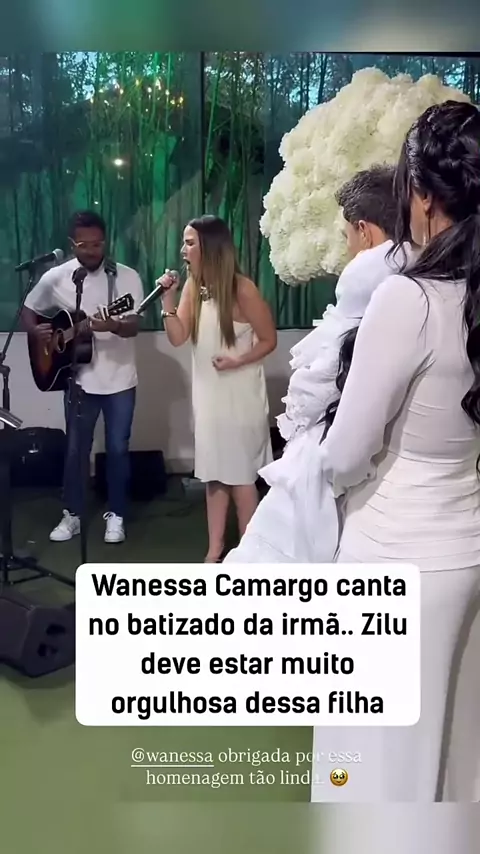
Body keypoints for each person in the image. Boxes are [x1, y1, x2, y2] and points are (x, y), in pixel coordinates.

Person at [309, 100, 480, 804]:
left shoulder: (408, 298)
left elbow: (346, 452)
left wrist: (326, 471)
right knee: (453, 746)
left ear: (425, 196)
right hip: (466, 548)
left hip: (394, 554)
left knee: (371, 766)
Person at [224, 164, 414, 563]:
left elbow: (317, 391)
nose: (347, 248)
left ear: (364, 231)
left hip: (337, 450)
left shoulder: (365, 284)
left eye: (347, 236)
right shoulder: (425, 279)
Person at [157, 215, 277, 562]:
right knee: (214, 475)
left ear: (210, 247)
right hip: (209, 398)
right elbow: (178, 337)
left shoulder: (243, 289)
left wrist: (238, 360)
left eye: (189, 243)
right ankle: (214, 551)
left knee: (241, 478)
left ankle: (251, 555)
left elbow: (268, 340)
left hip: (240, 399)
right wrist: (168, 302)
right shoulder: (194, 288)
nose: (183, 250)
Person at [21, 210, 144, 544]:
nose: (91, 251)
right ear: (71, 244)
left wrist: (114, 324)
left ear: (106, 241)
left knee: (117, 449)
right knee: (76, 450)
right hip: (77, 380)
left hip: (120, 380)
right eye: (83, 245)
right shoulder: (56, 277)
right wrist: (38, 333)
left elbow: (134, 324)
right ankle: (72, 513)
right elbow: (28, 309)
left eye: (97, 244)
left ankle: (116, 514)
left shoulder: (126, 277)